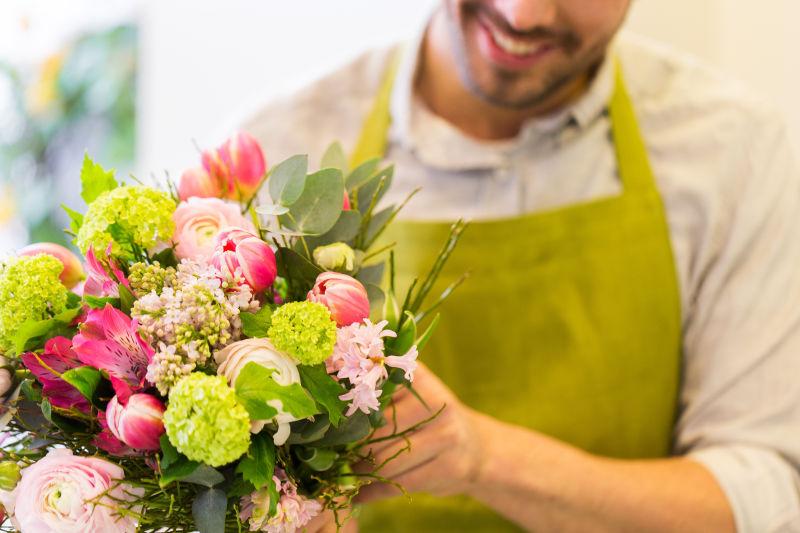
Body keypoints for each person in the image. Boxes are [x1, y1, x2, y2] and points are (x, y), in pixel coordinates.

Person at [242, 1, 800, 531]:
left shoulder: (733, 152)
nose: (523, 16)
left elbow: (766, 495)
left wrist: (482, 459)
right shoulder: (285, 150)